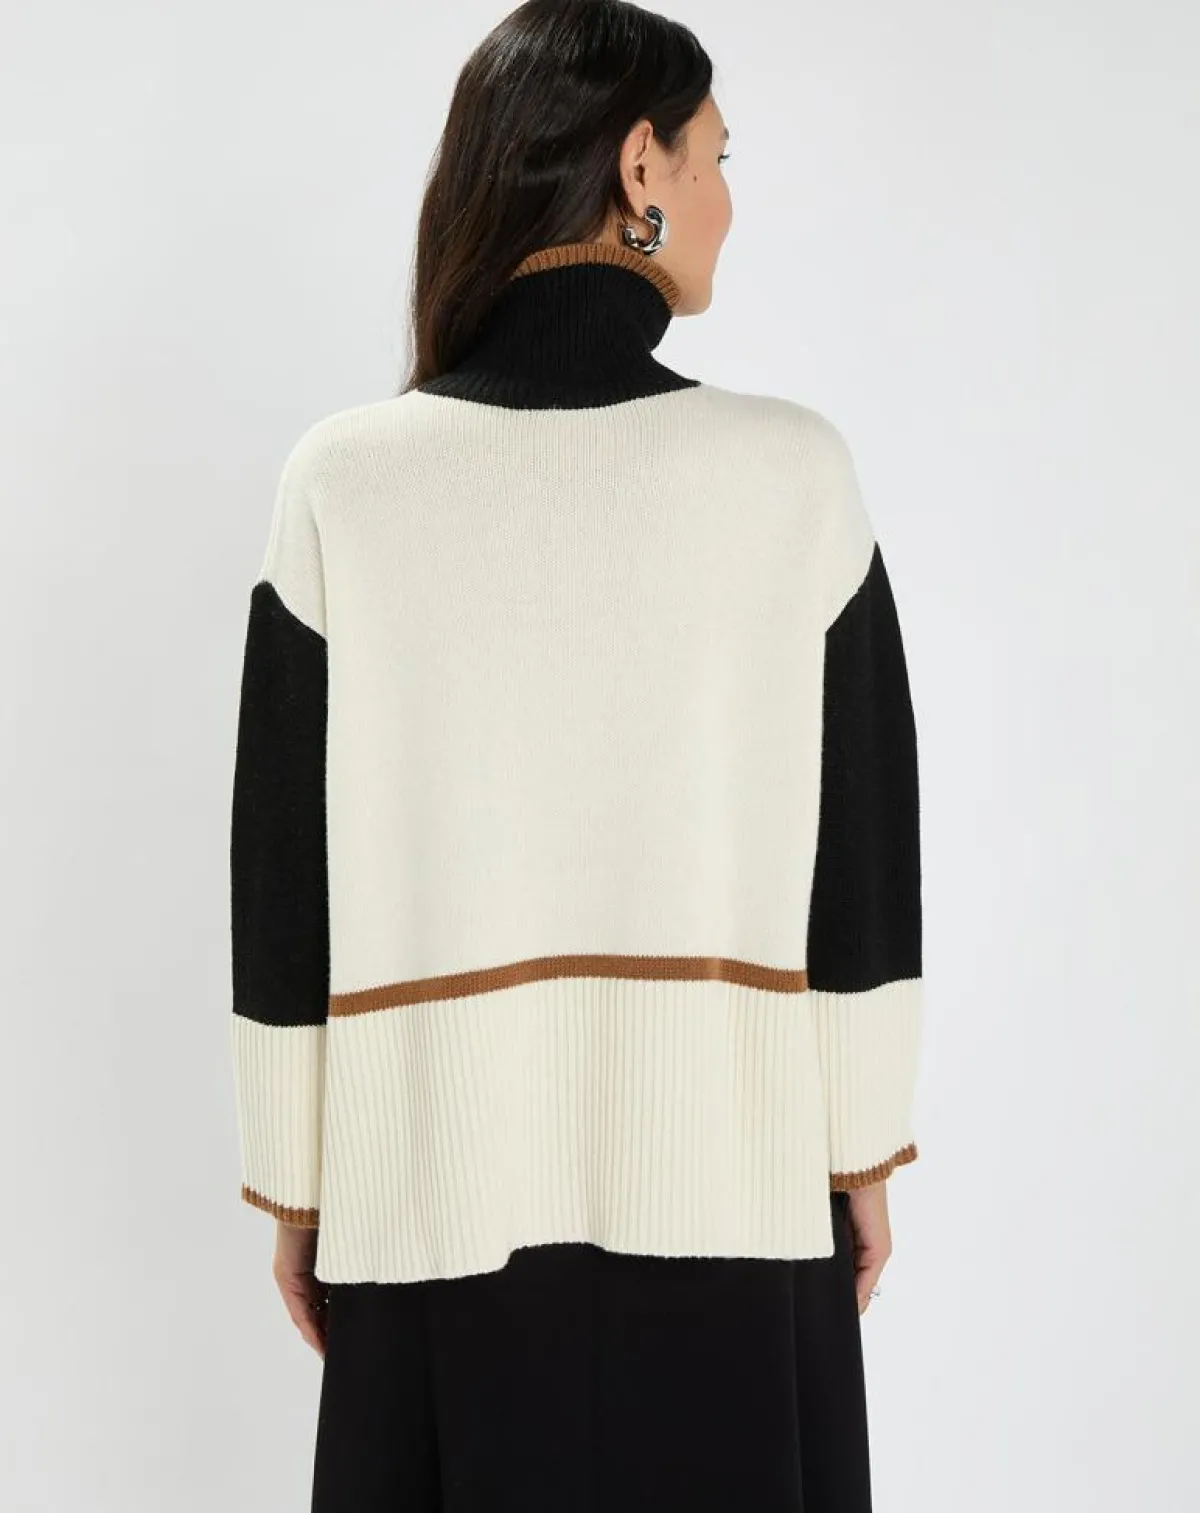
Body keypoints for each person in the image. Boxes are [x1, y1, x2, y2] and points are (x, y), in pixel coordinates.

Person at [228, 2, 924, 1508]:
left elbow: (281, 878)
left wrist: (300, 1178)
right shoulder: (794, 474)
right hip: (740, 1194)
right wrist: (863, 1151)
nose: (728, 198)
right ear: (640, 165)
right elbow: (864, 860)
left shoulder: (344, 482)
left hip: (425, 1202)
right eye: (719, 157)